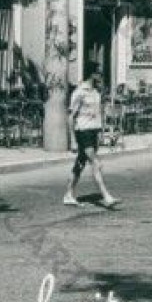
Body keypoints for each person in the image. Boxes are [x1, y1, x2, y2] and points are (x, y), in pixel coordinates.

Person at [64, 71, 119, 209]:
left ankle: (68, 194)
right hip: (83, 131)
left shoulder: (96, 92)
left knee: (80, 162)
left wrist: (101, 131)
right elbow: (71, 116)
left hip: (93, 131)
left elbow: (98, 114)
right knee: (95, 163)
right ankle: (106, 195)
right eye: (99, 74)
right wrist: (73, 140)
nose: (101, 77)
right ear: (92, 74)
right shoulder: (79, 92)